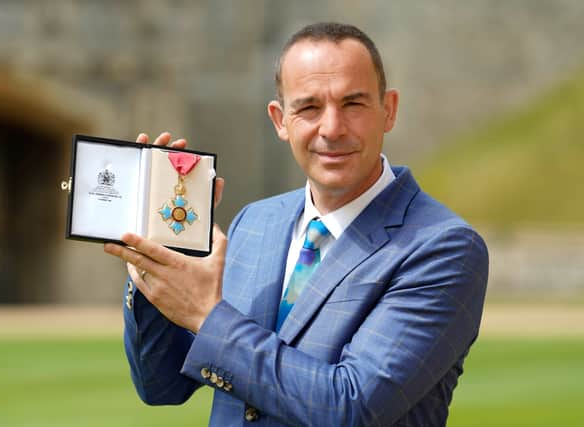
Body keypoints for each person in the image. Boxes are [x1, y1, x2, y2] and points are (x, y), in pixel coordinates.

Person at [104, 22, 488, 427]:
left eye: (353, 104)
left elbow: (351, 408)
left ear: (388, 110)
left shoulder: (443, 247)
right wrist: (155, 260)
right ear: (280, 120)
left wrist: (206, 314)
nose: (332, 128)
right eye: (308, 108)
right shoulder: (255, 222)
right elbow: (160, 387)